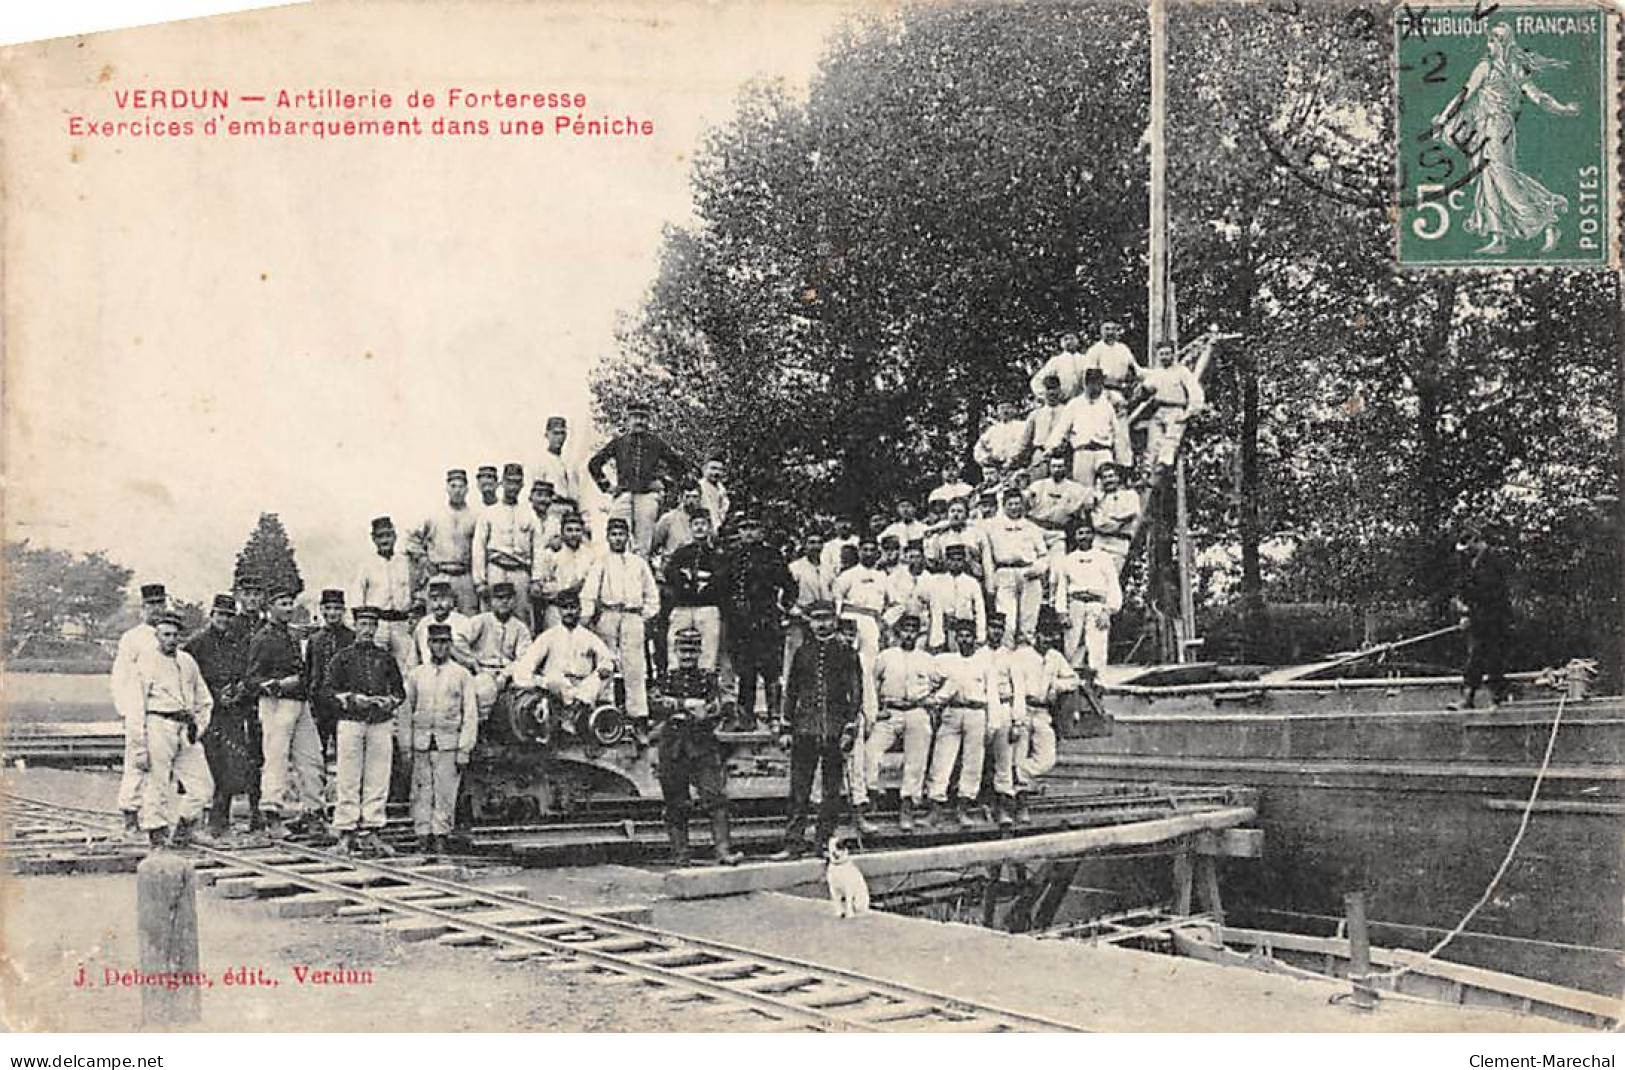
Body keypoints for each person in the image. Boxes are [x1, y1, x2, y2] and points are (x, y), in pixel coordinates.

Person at [1434, 22, 1580, 255]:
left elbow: (1537, 96)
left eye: (1494, 40)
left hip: (1498, 127)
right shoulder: (1492, 67)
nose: (1490, 45)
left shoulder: (1506, 68)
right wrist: (1444, 118)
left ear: (1504, 44)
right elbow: (1465, 94)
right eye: (1490, 40)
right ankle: (1498, 236)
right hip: (1487, 126)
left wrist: (1561, 109)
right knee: (1488, 177)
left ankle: (1546, 218)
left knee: (1502, 177)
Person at [773, 601, 862, 860]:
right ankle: (793, 843)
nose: (821, 624)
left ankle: (823, 842)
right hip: (804, 729)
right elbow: (792, 691)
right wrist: (786, 726)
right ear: (809, 623)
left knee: (830, 791)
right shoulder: (803, 652)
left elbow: (855, 692)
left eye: (826, 619)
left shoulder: (847, 652)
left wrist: (850, 728)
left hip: (834, 730)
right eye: (816, 619)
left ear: (835, 621)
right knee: (799, 790)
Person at [320, 605, 406, 857]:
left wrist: (389, 701)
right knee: (348, 777)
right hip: (351, 723)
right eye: (363, 625)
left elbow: (399, 691)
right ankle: (346, 832)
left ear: (377, 628)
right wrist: (349, 698)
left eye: (372, 625)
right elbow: (327, 691)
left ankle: (372, 830)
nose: (367, 630)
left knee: (377, 778)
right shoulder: (342, 658)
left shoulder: (385, 658)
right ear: (355, 626)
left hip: (380, 723)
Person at [653, 627, 743, 866]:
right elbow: (656, 704)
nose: (687, 657)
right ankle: (681, 855)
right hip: (672, 746)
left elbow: (718, 707)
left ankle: (723, 851)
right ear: (675, 651)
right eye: (683, 651)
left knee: (716, 798)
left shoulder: (708, 678)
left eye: (692, 651)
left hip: (702, 744)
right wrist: (688, 704)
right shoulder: (665, 678)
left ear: (700, 652)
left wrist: (685, 708)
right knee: (675, 802)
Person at [130, 610, 214, 848]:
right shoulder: (145, 662)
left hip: (185, 727)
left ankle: (184, 829)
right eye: (166, 634)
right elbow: (135, 707)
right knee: (157, 782)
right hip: (158, 724)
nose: (171, 639)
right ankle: (156, 834)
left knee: (203, 785)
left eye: (176, 635)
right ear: (157, 635)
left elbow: (204, 699)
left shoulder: (187, 662)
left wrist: (199, 726)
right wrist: (139, 746)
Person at [246, 584, 324, 838]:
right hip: (276, 705)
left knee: (311, 759)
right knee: (276, 759)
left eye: (291, 603)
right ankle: (272, 817)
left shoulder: (292, 635)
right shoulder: (263, 638)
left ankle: (314, 812)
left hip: (299, 705)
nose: (288, 608)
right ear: (270, 607)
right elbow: (252, 680)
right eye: (283, 603)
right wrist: (278, 685)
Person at [399, 622, 479, 855]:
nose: (440, 647)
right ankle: (423, 836)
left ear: (451, 644)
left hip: (448, 744)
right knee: (421, 792)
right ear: (428, 644)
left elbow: (470, 714)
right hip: (421, 742)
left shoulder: (462, 675)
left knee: (445, 793)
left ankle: (441, 836)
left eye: (444, 642)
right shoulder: (416, 675)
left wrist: (465, 748)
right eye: (435, 642)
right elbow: (405, 713)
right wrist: (406, 746)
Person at [185, 593, 260, 838]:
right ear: (212, 615)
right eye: (220, 615)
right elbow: (188, 678)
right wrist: (212, 695)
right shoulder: (196, 643)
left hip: (231, 712)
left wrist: (238, 691)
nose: (224, 620)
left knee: (231, 765)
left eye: (228, 616)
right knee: (207, 764)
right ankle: (202, 819)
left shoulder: (236, 643)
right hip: (207, 712)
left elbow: (246, 673)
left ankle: (221, 820)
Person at [924, 616, 1005, 829]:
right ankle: (935, 808)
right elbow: (929, 678)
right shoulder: (946, 661)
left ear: (974, 638)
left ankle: (964, 807)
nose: (964, 640)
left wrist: (993, 724)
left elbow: (993, 695)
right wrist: (935, 698)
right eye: (960, 636)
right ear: (955, 638)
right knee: (942, 759)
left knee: (973, 763)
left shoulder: (985, 663)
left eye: (968, 636)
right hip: (952, 712)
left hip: (976, 714)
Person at [716, 511, 793, 730]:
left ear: (761, 531)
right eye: (744, 528)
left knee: (770, 670)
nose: (748, 533)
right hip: (740, 623)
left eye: (753, 528)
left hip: (766, 621)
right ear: (739, 532)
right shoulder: (731, 556)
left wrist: (783, 609)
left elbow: (789, 586)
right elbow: (722, 587)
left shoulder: (772, 555)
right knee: (745, 670)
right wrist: (729, 610)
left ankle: (774, 715)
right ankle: (746, 716)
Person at [581, 516, 661, 725]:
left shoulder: (639, 563)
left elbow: (651, 593)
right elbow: (589, 593)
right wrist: (587, 618)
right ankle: (607, 713)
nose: (618, 539)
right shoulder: (601, 562)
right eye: (614, 534)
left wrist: (645, 616)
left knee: (634, 666)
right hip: (608, 615)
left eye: (621, 534)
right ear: (608, 537)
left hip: (633, 617)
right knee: (607, 664)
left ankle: (638, 716)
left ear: (628, 537)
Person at [832, 534, 889, 823]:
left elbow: (896, 604)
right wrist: (843, 623)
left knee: (867, 667)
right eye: (864, 549)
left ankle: (870, 709)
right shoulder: (848, 575)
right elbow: (837, 599)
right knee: (848, 663)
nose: (868, 553)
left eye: (872, 550)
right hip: (851, 618)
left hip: (872, 621)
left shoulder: (883, 577)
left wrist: (884, 621)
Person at [588, 400, 691, 558]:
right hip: (624, 494)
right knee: (618, 532)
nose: (639, 421)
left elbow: (679, 466)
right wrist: (608, 487)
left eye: (643, 417)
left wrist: (664, 483)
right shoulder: (619, 442)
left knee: (643, 542)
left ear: (648, 420)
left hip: (647, 495)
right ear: (628, 419)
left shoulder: (656, 443)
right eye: (635, 417)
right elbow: (594, 464)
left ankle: (639, 574)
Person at [869, 613, 943, 832]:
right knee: (871, 752)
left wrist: (933, 700)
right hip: (890, 712)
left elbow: (945, 682)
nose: (908, 634)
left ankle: (907, 807)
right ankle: (871, 799)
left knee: (916, 761)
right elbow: (871, 684)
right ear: (897, 632)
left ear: (918, 633)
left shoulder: (926, 659)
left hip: (916, 711)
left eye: (913, 630)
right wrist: (877, 710)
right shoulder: (885, 656)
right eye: (905, 629)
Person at [111, 582, 167, 834]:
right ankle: (130, 815)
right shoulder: (132, 638)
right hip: (138, 707)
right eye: (152, 605)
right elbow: (120, 676)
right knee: (136, 761)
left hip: (163, 710)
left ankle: (157, 818)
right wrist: (126, 711)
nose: (157, 610)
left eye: (161, 604)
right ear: (142, 609)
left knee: (161, 767)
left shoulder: (169, 635)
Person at [1008, 610, 1075, 823]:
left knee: (1046, 760)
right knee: (1019, 753)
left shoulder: (1055, 657)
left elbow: (1073, 679)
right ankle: (1019, 807)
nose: (1048, 639)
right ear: (1035, 635)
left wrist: (1058, 685)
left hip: (1043, 712)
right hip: (1023, 710)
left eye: (1052, 636)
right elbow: (1016, 689)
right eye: (1044, 635)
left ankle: (1013, 773)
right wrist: (1017, 720)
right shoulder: (1021, 656)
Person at [510, 589, 617, 719]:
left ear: (580, 610)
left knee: (601, 677)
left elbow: (607, 659)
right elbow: (527, 663)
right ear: (559, 611)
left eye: (573, 607)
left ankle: (579, 711)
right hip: (557, 686)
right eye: (565, 608)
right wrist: (539, 682)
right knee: (554, 680)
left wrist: (604, 668)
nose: (569, 612)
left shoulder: (589, 637)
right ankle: (572, 712)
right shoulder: (549, 636)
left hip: (583, 687)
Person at [473, 462, 542, 628]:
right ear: (502, 483)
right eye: (509, 481)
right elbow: (478, 547)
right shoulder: (489, 512)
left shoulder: (529, 514)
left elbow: (538, 548)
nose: (513, 486)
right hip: (496, 569)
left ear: (522, 485)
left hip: (520, 571)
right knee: (491, 616)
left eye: (517, 482)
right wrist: (480, 581)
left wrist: (536, 579)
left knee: (521, 616)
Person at [982, 488, 1049, 648]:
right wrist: (990, 584)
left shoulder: (1031, 527)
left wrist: (1038, 569)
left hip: (1028, 574)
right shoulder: (992, 527)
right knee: (1007, 622)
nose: (1014, 508)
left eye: (1017, 504)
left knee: (1028, 622)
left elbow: (1044, 555)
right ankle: (1006, 656)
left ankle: (1026, 658)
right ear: (1003, 506)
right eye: (1010, 504)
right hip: (1004, 573)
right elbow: (988, 558)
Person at [1051, 524, 1122, 672]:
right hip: (1075, 605)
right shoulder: (1068, 559)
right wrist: (1062, 612)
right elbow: (1062, 587)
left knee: (1097, 646)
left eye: (1087, 533)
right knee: (1072, 646)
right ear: (1075, 536)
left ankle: (1099, 682)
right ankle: (1075, 683)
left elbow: (1113, 586)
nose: (1084, 537)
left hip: (1097, 605)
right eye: (1080, 533)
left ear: (1093, 536)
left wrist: (1107, 611)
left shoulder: (1104, 558)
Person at [1457, 527, 1514, 708]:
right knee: (1475, 658)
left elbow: (1491, 594)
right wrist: (1462, 608)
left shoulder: (1494, 561)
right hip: (1479, 619)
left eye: (1468, 546)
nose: (1466, 551)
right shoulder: (1471, 562)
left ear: (1476, 540)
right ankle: (1470, 698)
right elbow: (1465, 590)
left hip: (1494, 619)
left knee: (1492, 659)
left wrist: (1471, 614)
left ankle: (1496, 699)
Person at [410, 468, 480, 614]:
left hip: (465, 576)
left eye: (461, 487)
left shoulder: (475, 516)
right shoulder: (434, 515)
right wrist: (424, 561)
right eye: (453, 486)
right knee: (438, 618)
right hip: (440, 575)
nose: (457, 491)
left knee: (468, 619)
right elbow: (412, 540)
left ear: (467, 489)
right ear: (447, 488)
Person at [1047, 366, 1127, 492]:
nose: (1097, 388)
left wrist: (1122, 459)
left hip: (1103, 452)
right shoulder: (1074, 405)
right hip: (1082, 452)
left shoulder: (1107, 406)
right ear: (1086, 384)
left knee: (1106, 489)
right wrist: (1052, 446)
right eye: (1093, 384)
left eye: (1100, 384)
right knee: (1083, 492)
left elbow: (1118, 434)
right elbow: (1061, 429)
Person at [983, 612, 1029, 828]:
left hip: (1003, 708)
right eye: (992, 627)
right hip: (981, 709)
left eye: (999, 627)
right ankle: (979, 804)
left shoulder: (1011, 657)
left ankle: (1005, 807)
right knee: (978, 759)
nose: (995, 631)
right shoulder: (978, 654)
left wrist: (1017, 721)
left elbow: (1019, 690)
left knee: (1004, 760)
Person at [354, 516, 417, 676]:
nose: (385, 540)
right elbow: (357, 596)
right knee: (376, 668)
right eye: (380, 536)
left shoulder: (405, 562)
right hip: (378, 624)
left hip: (401, 624)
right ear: (374, 539)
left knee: (406, 669)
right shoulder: (366, 565)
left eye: (388, 535)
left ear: (395, 537)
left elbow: (414, 591)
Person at [663, 509, 723, 670]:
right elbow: (670, 573)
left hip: (707, 607)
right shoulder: (682, 552)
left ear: (709, 527)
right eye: (696, 524)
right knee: (674, 646)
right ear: (690, 527)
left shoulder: (716, 555)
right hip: (683, 606)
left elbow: (721, 579)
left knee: (708, 650)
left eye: (703, 524)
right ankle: (675, 683)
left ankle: (705, 685)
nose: (699, 528)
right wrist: (684, 583)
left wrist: (705, 584)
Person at [467, 581, 532, 720]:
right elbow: (458, 639)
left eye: (508, 598)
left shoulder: (520, 627)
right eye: (499, 598)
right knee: (483, 689)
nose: (504, 601)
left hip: (509, 673)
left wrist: (506, 674)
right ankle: (482, 728)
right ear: (491, 601)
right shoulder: (480, 620)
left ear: (514, 600)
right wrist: (471, 662)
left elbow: (525, 658)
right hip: (484, 670)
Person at [1138, 340, 1205, 471]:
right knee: (1153, 444)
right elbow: (1145, 389)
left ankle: (1163, 466)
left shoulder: (1182, 371)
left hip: (1176, 410)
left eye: (1167, 353)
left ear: (1173, 355)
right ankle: (1149, 471)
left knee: (1170, 441)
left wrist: (1190, 412)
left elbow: (1195, 391)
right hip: (1159, 410)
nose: (1164, 357)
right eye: (1162, 354)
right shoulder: (1156, 373)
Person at [303, 588, 354, 760]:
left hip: (343, 702)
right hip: (320, 702)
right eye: (329, 608)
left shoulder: (351, 638)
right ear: (322, 610)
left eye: (337, 608)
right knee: (318, 751)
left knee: (346, 751)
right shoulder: (315, 639)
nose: (333, 613)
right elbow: (309, 671)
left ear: (343, 611)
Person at [1025, 448, 1092, 558]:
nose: (1057, 470)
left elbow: (1089, 501)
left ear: (1066, 468)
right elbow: (1024, 503)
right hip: (1037, 530)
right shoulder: (1037, 486)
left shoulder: (1076, 489)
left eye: (1060, 466)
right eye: (1054, 466)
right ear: (1049, 468)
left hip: (1059, 532)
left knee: (1057, 563)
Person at [537, 511, 598, 631]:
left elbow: (592, 587)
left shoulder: (590, 555)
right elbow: (543, 587)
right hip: (557, 608)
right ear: (562, 532)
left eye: (577, 530)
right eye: (569, 530)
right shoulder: (552, 554)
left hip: (582, 610)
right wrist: (567, 590)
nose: (573, 534)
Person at [784, 528, 829, 687]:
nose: (815, 546)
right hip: (800, 620)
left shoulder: (828, 568)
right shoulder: (794, 568)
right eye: (811, 542)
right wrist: (799, 613)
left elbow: (834, 595)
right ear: (804, 545)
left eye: (819, 542)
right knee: (794, 659)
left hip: (823, 621)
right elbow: (784, 598)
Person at [925, 543, 986, 652]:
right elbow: (933, 608)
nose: (955, 563)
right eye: (952, 560)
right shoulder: (937, 582)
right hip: (943, 630)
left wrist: (980, 636)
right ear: (947, 561)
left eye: (959, 560)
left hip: (965, 633)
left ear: (963, 561)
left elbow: (980, 611)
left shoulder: (972, 582)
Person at [414, 578, 479, 673]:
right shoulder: (423, 624)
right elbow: (416, 656)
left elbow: (475, 655)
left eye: (443, 599)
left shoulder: (463, 622)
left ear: (451, 601)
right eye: (434, 600)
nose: (439, 604)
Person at [1018, 373, 1074, 474]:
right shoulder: (1035, 414)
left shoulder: (1068, 411)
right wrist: (1018, 459)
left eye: (1054, 389)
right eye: (1048, 389)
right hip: (1040, 455)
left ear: (1060, 390)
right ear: (1043, 391)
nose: (1052, 393)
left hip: (1063, 456)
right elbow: (1025, 441)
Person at [534, 416, 584, 525]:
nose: (559, 438)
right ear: (547, 435)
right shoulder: (541, 461)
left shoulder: (569, 462)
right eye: (555, 433)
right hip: (551, 511)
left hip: (570, 512)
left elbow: (576, 493)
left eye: (562, 434)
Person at [1090, 464, 1141, 570]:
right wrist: (1118, 520)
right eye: (1105, 477)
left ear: (1118, 478)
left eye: (1111, 476)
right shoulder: (1099, 499)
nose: (1108, 480)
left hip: (1119, 544)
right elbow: (1097, 524)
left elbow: (1131, 514)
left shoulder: (1130, 495)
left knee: (1112, 580)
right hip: (1099, 543)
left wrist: (1112, 520)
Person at [1082, 320, 1142, 410]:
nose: (1110, 332)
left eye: (1113, 329)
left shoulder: (1123, 349)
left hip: (1121, 392)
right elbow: (1089, 376)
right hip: (1102, 392)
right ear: (1101, 331)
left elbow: (1136, 369)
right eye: (1107, 329)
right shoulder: (1095, 350)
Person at [973, 400, 1030, 475]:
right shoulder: (992, 430)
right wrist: (987, 459)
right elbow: (979, 448)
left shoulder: (1023, 426)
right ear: (997, 412)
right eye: (1002, 408)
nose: (1005, 411)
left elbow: (1026, 445)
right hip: (998, 469)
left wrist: (1013, 460)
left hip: (1019, 468)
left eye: (1008, 408)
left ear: (1015, 410)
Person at [1028, 332, 1087, 402]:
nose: (1069, 341)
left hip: (1083, 402)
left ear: (1077, 341)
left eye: (1072, 338)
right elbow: (1036, 381)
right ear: (1061, 343)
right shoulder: (1056, 361)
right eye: (1065, 339)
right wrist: (1049, 396)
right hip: (1064, 402)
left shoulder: (1086, 359)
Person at [818, 515, 858, 589]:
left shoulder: (858, 541)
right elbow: (825, 566)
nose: (844, 525)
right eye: (840, 523)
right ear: (835, 526)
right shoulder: (828, 546)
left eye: (847, 522)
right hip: (837, 580)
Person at [698, 457, 731, 531]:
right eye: (713, 468)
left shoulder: (721, 489)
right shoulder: (699, 487)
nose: (716, 472)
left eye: (720, 470)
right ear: (704, 469)